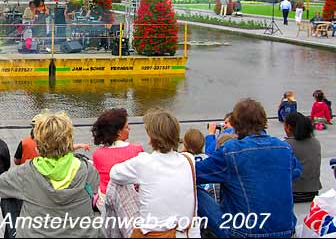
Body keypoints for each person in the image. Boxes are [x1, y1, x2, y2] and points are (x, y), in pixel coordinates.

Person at [195, 98, 301, 238]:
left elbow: (193, 173)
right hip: (286, 231)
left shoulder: (231, 151)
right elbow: (296, 171)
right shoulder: (284, 148)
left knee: (195, 189)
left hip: (245, 233)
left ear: (236, 125)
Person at [0, 111, 100, 238]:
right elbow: (94, 189)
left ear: (37, 146)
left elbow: (1, 184)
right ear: (69, 142)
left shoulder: (25, 173)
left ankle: (14, 231)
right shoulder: (87, 170)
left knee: (9, 197)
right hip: (83, 233)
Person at [104, 108, 197, 238]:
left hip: (155, 234)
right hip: (187, 233)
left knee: (115, 185)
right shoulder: (189, 160)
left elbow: (114, 173)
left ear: (151, 137)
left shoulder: (144, 162)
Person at [91, 108, 144, 214]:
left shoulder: (97, 154)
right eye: (126, 127)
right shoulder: (137, 149)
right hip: (130, 202)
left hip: (105, 203)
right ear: (119, 132)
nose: (129, 129)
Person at [283, 112, 322, 203]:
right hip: (313, 192)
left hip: (293, 194)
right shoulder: (316, 142)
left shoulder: (286, 145)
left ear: (288, 127)